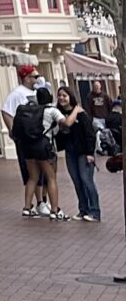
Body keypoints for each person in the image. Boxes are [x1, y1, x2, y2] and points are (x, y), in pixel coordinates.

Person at [13, 82, 65, 219]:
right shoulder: (51, 110)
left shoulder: (30, 111)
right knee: (51, 177)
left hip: (28, 147)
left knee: (32, 177)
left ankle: (27, 207)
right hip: (44, 147)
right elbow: (65, 123)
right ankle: (54, 210)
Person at [2, 64, 44, 210]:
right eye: (35, 77)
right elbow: (6, 111)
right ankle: (36, 202)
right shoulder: (17, 94)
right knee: (31, 171)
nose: (38, 79)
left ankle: (42, 201)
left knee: (43, 169)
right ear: (27, 78)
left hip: (40, 137)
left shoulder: (38, 92)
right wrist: (13, 131)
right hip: (26, 138)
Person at [58, 86, 102, 221]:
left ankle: (94, 212)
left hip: (83, 152)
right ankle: (83, 210)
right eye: (59, 95)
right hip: (70, 152)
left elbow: (90, 134)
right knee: (77, 181)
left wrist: (90, 152)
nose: (61, 98)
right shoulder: (59, 114)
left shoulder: (81, 114)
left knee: (86, 180)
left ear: (70, 97)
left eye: (64, 95)